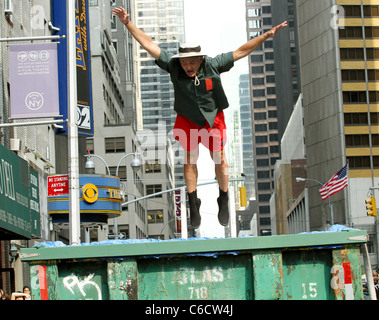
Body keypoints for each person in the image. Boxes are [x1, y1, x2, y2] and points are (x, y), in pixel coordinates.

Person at [113, 6, 287, 228]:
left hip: (212, 118)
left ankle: (223, 197)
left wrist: (265, 35)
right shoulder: (174, 67)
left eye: (191, 63)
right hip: (187, 119)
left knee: (219, 159)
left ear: (200, 60)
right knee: (189, 159)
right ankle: (193, 202)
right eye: (184, 62)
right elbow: (149, 44)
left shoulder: (213, 65)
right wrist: (127, 23)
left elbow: (242, 51)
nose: (187, 67)